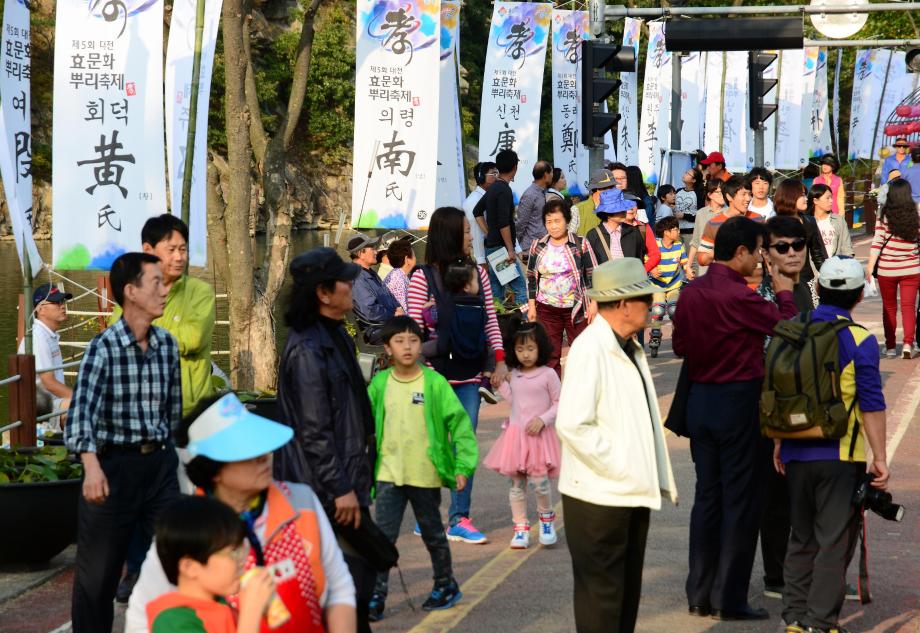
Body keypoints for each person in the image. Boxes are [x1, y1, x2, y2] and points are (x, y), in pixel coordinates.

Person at [125, 392, 357, 633]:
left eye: (261, 445)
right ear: (214, 469)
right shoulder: (187, 529)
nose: (264, 457)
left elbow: (339, 587)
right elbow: (141, 619)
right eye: (247, 451)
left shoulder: (302, 502)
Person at [673, 217, 798, 621]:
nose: (762, 260)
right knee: (741, 501)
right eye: (759, 251)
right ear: (740, 252)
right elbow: (790, 330)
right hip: (738, 401)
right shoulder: (740, 296)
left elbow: (679, 345)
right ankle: (730, 596)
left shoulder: (692, 292)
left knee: (707, 498)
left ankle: (700, 591)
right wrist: (784, 293)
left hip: (701, 402)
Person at [556, 258, 677, 633]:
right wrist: (622, 466)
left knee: (623, 598)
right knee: (603, 604)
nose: (651, 304)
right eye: (645, 297)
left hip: (624, 493)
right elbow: (573, 423)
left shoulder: (624, 345)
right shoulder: (591, 348)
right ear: (624, 304)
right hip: (600, 499)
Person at [65, 252, 181, 633]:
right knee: (97, 578)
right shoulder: (104, 347)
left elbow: (173, 414)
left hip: (159, 467)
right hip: (112, 469)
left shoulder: (167, 345)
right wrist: (92, 467)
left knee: (176, 559)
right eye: (156, 284)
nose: (165, 291)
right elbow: (82, 413)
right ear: (131, 292)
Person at [779, 257, 890, 633]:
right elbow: (872, 404)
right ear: (859, 296)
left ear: (820, 290)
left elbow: (781, 390)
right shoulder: (860, 339)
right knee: (833, 541)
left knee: (801, 535)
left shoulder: (792, 328)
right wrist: (880, 458)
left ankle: (794, 618)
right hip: (841, 454)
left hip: (794, 449)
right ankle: (821, 621)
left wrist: (779, 443)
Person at [110, 214, 217, 601]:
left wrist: (142, 322)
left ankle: (186, 572)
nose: (179, 256)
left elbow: (190, 338)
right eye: (171, 249)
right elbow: (114, 333)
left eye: (184, 249)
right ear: (148, 251)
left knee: (186, 501)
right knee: (142, 502)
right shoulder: (133, 290)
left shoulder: (200, 293)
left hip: (190, 415)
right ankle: (139, 569)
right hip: (144, 417)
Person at [274, 247, 376, 631]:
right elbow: (313, 433)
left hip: (347, 476)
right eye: (344, 280)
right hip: (326, 489)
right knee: (343, 585)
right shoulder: (306, 349)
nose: (352, 285)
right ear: (323, 293)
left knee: (357, 580)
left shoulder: (334, 336)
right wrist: (340, 489)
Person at [408, 207, 508, 545]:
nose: (471, 236)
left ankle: (459, 518)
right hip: (434, 377)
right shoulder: (422, 277)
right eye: (466, 231)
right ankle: (428, 516)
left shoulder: (477, 273)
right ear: (450, 234)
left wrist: (499, 361)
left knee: (464, 446)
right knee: (435, 448)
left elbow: (490, 320)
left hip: (469, 377)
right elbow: (413, 332)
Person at [367, 316, 478, 620]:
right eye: (399, 341)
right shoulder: (378, 385)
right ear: (387, 348)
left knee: (433, 535)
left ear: (422, 345)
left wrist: (462, 466)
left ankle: (445, 584)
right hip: (388, 475)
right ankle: (375, 596)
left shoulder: (434, 384)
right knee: (382, 539)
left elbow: (461, 426)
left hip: (425, 475)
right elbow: (365, 426)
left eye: (413, 340)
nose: (407, 346)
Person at [483, 320, 562, 549]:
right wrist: (499, 385)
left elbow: (559, 403)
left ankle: (546, 522)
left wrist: (543, 420)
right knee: (516, 485)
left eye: (530, 348)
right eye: (520, 349)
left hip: (539, 437)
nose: (525, 354)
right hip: (516, 438)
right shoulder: (514, 375)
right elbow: (514, 401)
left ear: (541, 348)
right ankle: (520, 527)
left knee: (541, 484)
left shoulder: (548, 374)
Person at [145, 496, 275, 633]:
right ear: (190, 567)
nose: (243, 560)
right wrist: (251, 612)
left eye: (242, 549)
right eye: (233, 553)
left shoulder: (219, 603)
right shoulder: (172, 622)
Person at [525, 199, 597, 376]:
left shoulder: (581, 243)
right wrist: (532, 306)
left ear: (567, 221)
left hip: (577, 307)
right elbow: (531, 277)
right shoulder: (538, 245)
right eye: (549, 222)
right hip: (547, 309)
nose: (553, 226)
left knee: (582, 354)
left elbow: (592, 274)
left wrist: (595, 302)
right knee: (550, 355)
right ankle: (554, 397)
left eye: (557, 221)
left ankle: (582, 395)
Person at [866, 178, 920, 359]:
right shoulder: (916, 216)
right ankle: (907, 344)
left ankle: (889, 347)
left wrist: (870, 266)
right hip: (912, 269)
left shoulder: (883, 216)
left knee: (889, 308)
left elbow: (877, 243)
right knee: (908, 307)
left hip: (887, 270)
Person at [18, 284, 74, 432]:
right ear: (40, 309)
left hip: (52, 403)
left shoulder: (48, 334)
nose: (62, 306)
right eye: (57, 302)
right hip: (40, 409)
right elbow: (48, 382)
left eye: (63, 302)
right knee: (83, 405)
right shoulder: (38, 337)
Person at [696, 175, 766, 288]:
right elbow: (701, 259)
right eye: (743, 194)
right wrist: (720, 251)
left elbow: (767, 251)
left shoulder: (758, 220)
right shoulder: (713, 224)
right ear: (729, 196)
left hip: (756, 287)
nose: (748, 199)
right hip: (725, 288)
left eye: (749, 194)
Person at [479, 149, 527, 305]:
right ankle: (525, 326)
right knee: (520, 288)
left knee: (496, 291)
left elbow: (476, 212)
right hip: (501, 250)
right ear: (515, 167)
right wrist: (510, 250)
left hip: (491, 247)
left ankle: (495, 325)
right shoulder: (504, 190)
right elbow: (503, 223)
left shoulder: (493, 187)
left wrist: (489, 232)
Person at [774, 179, 828, 296]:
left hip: (807, 279)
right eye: (802, 195)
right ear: (790, 196)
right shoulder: (775, 224)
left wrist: (828, 275)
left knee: (809, 313)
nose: (806, 198)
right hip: (784, 282)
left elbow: (817, 253)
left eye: (805, 194)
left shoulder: (809, 221)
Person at [648, 216, 692, 357]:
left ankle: (678, 338)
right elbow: (647, 261)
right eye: (675, 229)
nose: (678, 231)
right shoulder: (656, 244)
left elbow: (685, 263)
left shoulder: (679, 245)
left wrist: (689, 271)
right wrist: (652, 270)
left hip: (674, 284)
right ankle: (655, 335)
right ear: (666, 232)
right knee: (657, 310)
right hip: (658, 284)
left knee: (674, 310)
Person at [349, 232, 403, 343]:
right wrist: (393, 314)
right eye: (372, 249)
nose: (376, 251)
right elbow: (370, 310)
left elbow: (389, 296)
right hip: (377, 330)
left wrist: (398, 308)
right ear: (361, 253)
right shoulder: (357, 277)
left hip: (387, 324)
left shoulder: (370, 273)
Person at [586, 188, 656, 271]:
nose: (624, 211)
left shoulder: (634, 231)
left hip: (631, 282)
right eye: (619, 209)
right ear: (608, 213)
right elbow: (590, 267)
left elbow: (640, 259)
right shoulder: (593, 235)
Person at [757, 216, 815, 315]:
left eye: (798, 245)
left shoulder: (802, 284)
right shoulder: (763, 297)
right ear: (766, 253)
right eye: (782, 247)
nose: (792, 253)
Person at [463, 161, 498, 268]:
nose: (497, 177)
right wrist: (481, 261)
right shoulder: (474, 201)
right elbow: (476, 234)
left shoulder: (487, 196)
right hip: (483, 258)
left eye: (497, 173)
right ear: (481, 177)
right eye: (493, 174)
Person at [687, 178, 725, 276]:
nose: (722, 195)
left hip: (725, 265)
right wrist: (688, 265)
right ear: (709, 194)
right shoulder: (701, 213)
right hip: (705, 264)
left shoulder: (730, 213)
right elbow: (695, 242)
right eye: (718, 192)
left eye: (724, 192)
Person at [574, 164, 624, 237]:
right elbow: (569, 237)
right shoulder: (577, 209)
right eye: (609, 187)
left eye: (612, 187)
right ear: (598, 189)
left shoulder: (619, 208)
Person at [517, 160, 553, 254]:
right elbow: (521, 223)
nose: (552, 175)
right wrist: (516, 247)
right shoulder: (529, 195)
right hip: (530, 248)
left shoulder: (543, 192)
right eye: (551, 172)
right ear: (545, 175)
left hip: (543, 246)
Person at [809, 182, 854, 258]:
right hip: (814, 268)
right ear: (815, 201)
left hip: (836, 267)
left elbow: (847, 249)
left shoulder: (839, 220)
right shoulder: (807, 222)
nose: (831, 201)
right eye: (827, 198)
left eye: (831, 197)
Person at [383, 238, 417, 313]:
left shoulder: (397, 274)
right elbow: (405, 311)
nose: (415, 258)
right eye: (414, 255)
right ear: (407, 259)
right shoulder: (398, 279)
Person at [675, 167, 704, 243]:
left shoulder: (698, 194)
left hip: (691, 232)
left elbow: (700, 215)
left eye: (688, 174)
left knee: (689, 254)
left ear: (694, 180)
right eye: (686, 172)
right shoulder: (678, 191)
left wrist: (684, 216)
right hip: (676, 231)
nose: (685, 174)